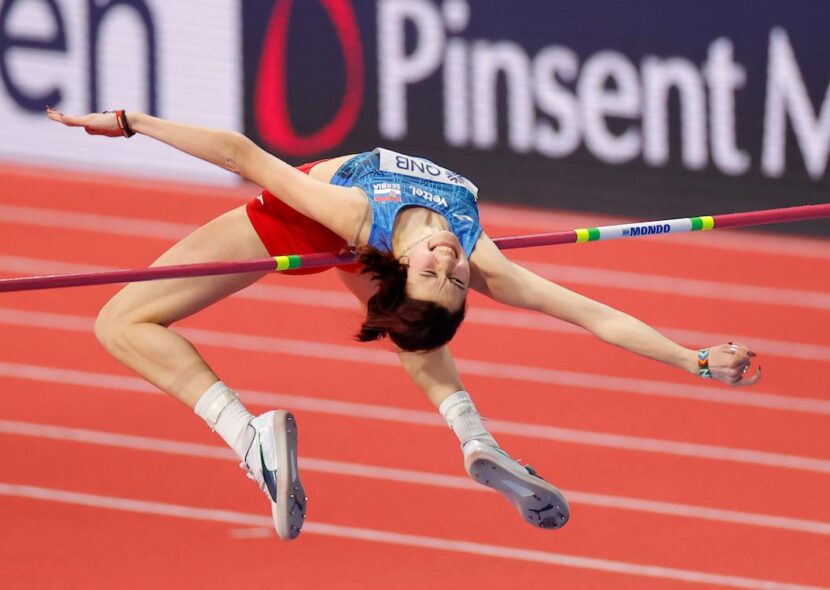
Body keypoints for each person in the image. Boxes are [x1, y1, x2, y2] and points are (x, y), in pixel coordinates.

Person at [46, 107, 761, 540]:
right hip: (336, 233)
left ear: (403, 266)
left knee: (120, 322)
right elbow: (591, 311)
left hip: (325, 222)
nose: (451, 261)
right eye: (453, 276)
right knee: (123, 321)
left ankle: (266, 437)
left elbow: (591, 316)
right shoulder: (471, 251)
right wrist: (130, 125)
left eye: (442, 275)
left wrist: (695, 362)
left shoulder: (372, 226)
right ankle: (453, 436)